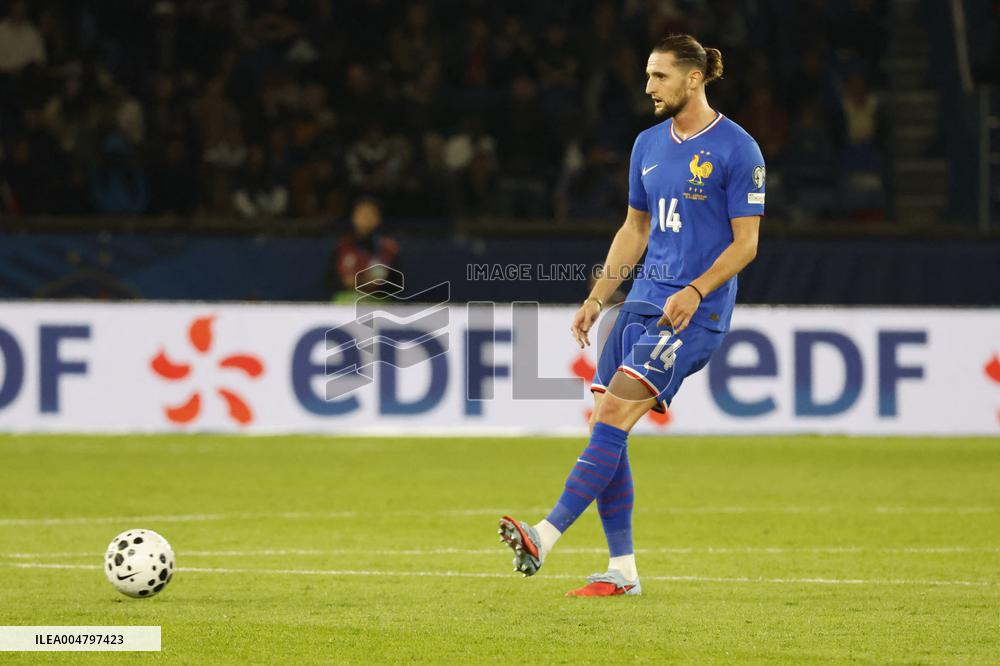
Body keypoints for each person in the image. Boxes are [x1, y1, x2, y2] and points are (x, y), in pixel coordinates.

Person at [498, 34, 765, 597]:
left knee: (616, 411)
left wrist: (695, 290)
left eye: (660, 76)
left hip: (691, 314)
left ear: (694, 78)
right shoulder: (647, 144)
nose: (649, 87)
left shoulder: (739, 149)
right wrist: (598, 298)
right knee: (606, 423)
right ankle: (622, 570)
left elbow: (746, 244)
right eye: (648, 75)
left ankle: (544, 535)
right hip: (640, 302)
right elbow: (634, 229)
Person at [327, 197, 399, 301]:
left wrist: (377, 285)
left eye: (370, 214)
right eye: (361, 214)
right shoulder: (341, 247)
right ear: (353, 217)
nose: (366, 218)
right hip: (346, 304)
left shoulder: (389, 249)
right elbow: (329, 282)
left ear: (378, 219)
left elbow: (397, 285)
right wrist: (345, 283)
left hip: (378, 304)